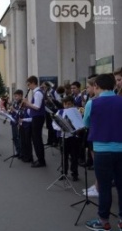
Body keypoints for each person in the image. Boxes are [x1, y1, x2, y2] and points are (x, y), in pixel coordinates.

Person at [83, 73, 122, 231]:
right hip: (121, 149)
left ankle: (103, 221)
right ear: (113, 85)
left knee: (104, 188)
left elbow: (86, 123)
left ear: (97, 86)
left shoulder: (92, 103)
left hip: (101, 150)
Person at [52, 96, 83, 181]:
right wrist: (62, 128)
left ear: (72, 104)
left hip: (73, 137)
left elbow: (80, 123)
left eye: (69, 104)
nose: (67, 106)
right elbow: (54, 123)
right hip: (63, 136)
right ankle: (64, 172)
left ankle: (75, 173)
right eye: (65, 104)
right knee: (64, 156)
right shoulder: (60, 112)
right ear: (63, 104)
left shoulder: (76, 112)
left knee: (74, 156)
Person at [23, 76, 46, 168]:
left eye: (29, 84)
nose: (28, 87)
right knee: (36, 139)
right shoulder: (36, 92)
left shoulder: (38, 93)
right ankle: (40, 159)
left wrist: (27, 102)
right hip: (36, 117)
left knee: (37, 140)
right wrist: (27, 106)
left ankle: (41, 161)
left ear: (33, 83)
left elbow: (37, 107)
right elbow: (34, 107)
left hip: (38, 118)